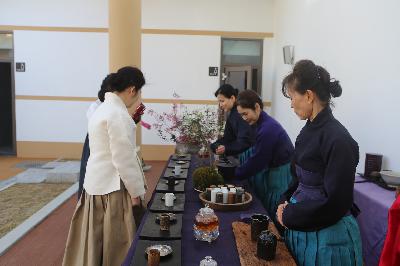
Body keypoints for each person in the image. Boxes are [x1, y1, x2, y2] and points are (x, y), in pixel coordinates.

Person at [276, 59, 362, 265]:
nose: (290, 104)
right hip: (303, 224)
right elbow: (296, 178)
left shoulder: (338, 139)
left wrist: (289, 215)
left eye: (292, 97)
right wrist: (283, 203)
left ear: (308, 95)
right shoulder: (307, 131)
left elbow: (337, 202)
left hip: (328, 238)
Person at [63, 66, 147, 266]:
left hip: (94, 186)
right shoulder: (118, 114)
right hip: (113, 189)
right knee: (116, 245)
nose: (138, 98)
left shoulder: (101, 110)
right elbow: (123, 158)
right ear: (132, 89)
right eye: (139, 92)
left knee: (95, 242)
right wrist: (136, 193)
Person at [234, 89, 294, 221]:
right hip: (275, 171)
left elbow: (258, 161)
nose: (244, 118)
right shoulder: (262, 123)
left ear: (256, 107)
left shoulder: (268, 128)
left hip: (281, 176)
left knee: (275, 211)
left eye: (245, 114)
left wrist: (235, 174)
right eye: (241, 115)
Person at [210, 84, 256, 158]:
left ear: (232, 98)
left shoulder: (240, 114)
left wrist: (226, 148)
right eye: (219, 102)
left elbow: (244, 142)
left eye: (222, 101)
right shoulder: (232, 114)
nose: (220, 105)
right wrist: (215, 145)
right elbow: (228, 137)